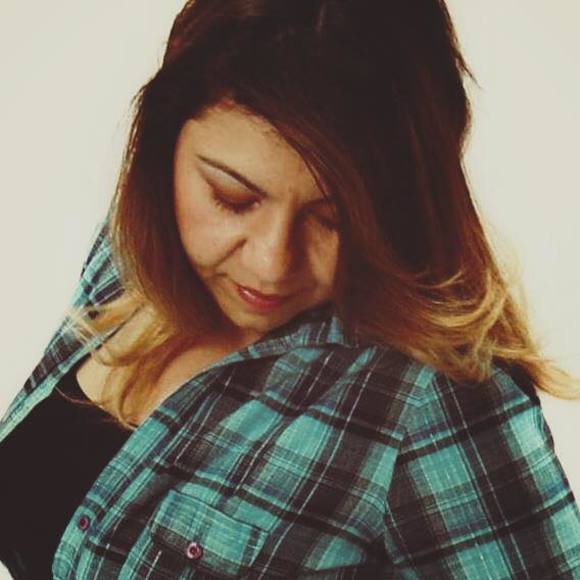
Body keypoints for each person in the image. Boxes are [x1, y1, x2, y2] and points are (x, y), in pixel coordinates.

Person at [1, 0, 580, 577]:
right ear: (162, 148)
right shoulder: (136, 247)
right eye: (232, 198)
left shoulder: (441, 398)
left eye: (335, 219)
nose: (272, 265)